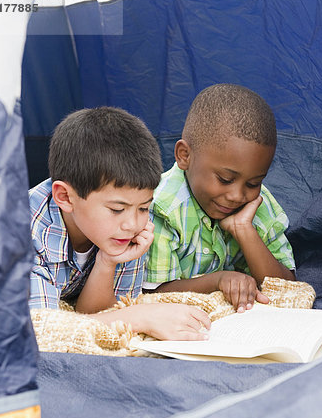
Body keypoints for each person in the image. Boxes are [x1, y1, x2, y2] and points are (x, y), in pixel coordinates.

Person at [29, 107, 210, 340]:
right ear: (65, 197)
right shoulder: (22, 234)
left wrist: (107, 261)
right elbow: (42, 330)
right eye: (117, 209)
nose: (132, 224)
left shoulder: (128, 225)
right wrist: (142, 317)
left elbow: (97, 313)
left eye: (144, 207)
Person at [144, 84, 296, 312]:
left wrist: (244, 230)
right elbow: (153, 293)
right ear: (184, 156)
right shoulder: (160, 208)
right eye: (225, 179)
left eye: (253, 183)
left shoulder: (257, 203)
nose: (237, 196)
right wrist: (219, 280)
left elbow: (287, 286)